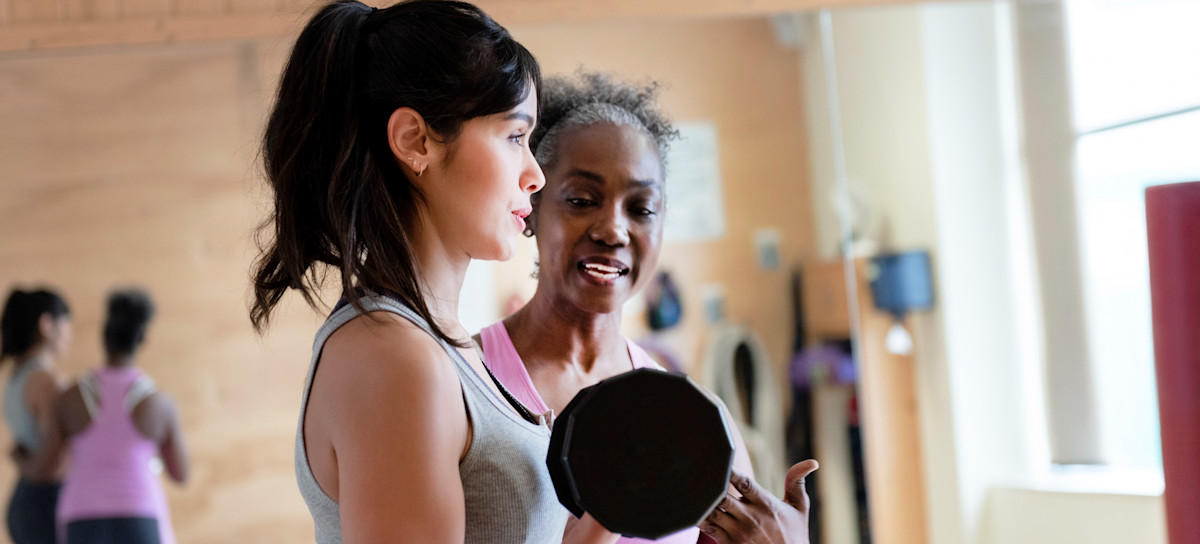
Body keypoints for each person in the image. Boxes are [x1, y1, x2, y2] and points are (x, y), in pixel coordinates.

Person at [248, 2, 609, 543]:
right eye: (515, 137)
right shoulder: (395, 356)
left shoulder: (436, 344)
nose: (534, 173)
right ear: (415, 141)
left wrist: (617, 505)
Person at [477, 72, 818, 544]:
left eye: (641, 209)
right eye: (581, 200)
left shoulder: (699, 428)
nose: (613, 230)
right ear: (532, 208)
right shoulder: (465, 385)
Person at [55, 288, 188, 544]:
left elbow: (48, 462)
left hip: (82, 518)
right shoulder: (158, 403)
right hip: (139, 517)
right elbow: (180, 474)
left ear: (105, 336)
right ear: (141, 339)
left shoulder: (71, 397)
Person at [1, 288, 72, 544]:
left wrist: (20, 460)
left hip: (27, 500)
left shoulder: (16, 378)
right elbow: (53, 465)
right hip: (45, 503)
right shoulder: (45, 382)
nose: (69, 334)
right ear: (46, 324)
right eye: (66, 323)